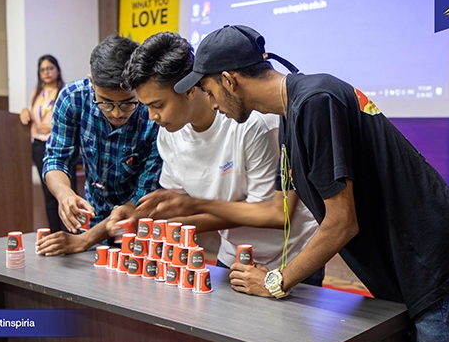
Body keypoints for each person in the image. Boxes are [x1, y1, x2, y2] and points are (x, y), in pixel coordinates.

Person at [173, 24, 449, 342]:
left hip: (437, 265)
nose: (212, 103)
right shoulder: (291, 114)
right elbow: (285, 210)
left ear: (229, 80)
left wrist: (276, 282)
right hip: (405, 269)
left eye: (208, 90)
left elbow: (342, 223)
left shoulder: (316, 101)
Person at [122, 31, 323, 285]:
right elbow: (182, 207)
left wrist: (193, 205)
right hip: (234, 255)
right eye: (146, 107)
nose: (152, 116)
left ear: (189, 89)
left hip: (292, 258)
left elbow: (273, 214)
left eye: (158, 105)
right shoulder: (168, 135)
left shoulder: (252, 122)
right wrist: (144, 221)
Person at [36, 35, 162, 256]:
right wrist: (65, 194)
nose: (116, 112)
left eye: (127, 102)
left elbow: (144, 196)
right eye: (105, 102)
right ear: (91, 82)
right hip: (93, 217)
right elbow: (56, 158)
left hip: (142, 224)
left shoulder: (154, 113)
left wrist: (84, 240)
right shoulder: (73, 98)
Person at [19, 55, 74, 233]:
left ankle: (72, 232)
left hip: (61, 146)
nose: (46, 72)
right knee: (48, 194)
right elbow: (33, 113)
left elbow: (70, 118)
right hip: (39, 145)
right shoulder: (38, 93)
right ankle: (55, 233)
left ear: (57, 70)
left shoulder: (65, 91)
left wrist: (52, 125)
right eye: (42, 70)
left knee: (66, 192)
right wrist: (25, 111)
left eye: (50, 68)